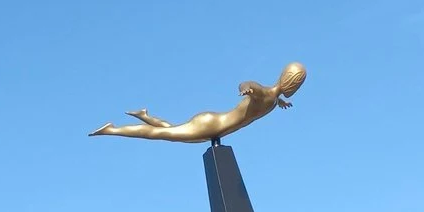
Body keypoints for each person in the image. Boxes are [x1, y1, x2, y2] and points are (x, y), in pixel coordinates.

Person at [88, 63, 306, 144]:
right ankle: (112, 130)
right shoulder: (263, 93)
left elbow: (272, 100)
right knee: (163, 135)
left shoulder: (274, 98)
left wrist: (282, 104)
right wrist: (245, 89)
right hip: (211, 126)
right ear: (290, 82)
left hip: (213, 126)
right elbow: (249, 83)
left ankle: (145, 115)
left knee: (172, 131)